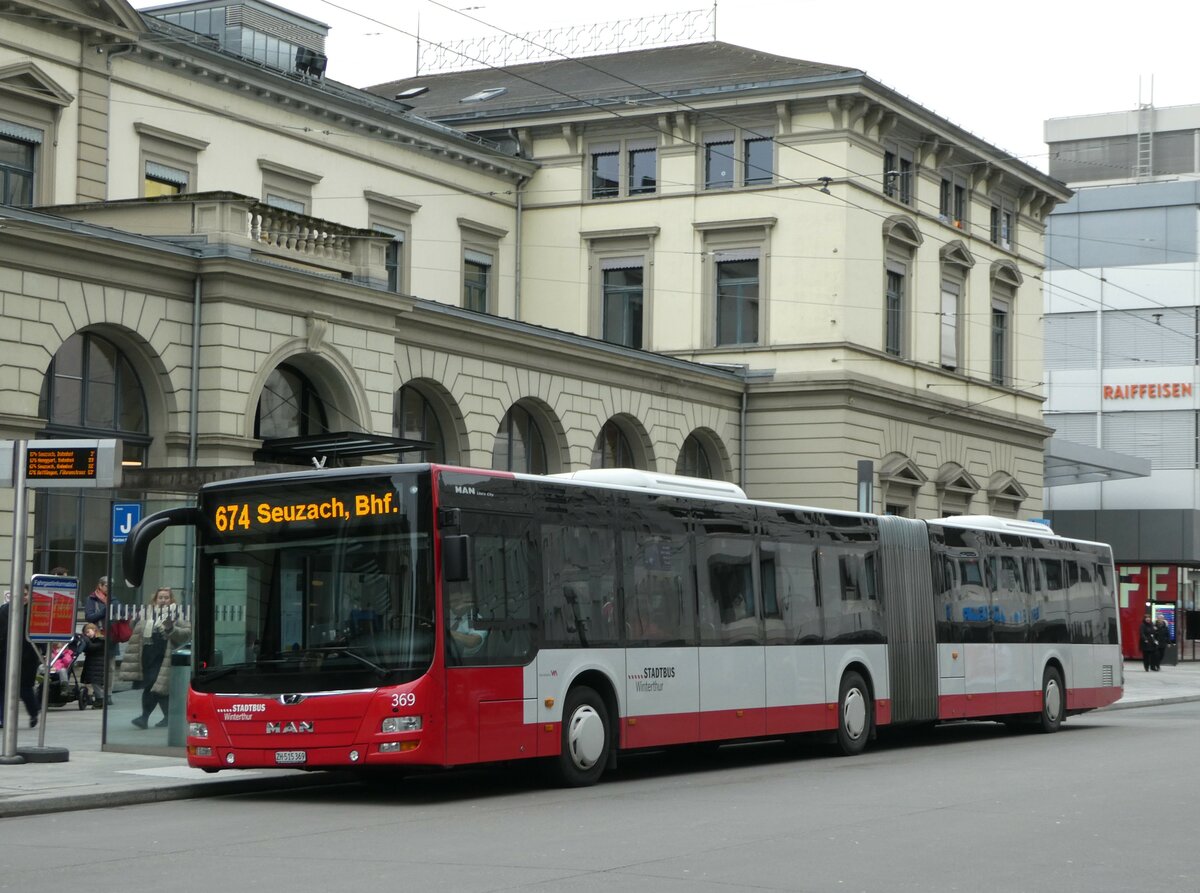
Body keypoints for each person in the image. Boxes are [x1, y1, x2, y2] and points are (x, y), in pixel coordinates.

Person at [120, 587, 191, 729]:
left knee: (153, 685)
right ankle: (168, 718)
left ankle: (144, 717)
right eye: (161, 598)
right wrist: (135, 619)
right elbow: (135, 628)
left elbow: (187, 633)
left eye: (166, 597)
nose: (163, 600)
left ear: (171, 600)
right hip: (147, 656)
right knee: (159, 688)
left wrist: (171, 628)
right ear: (155, 599)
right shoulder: (147, 612)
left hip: (164, 655)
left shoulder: (177, 614)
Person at [0, 588, 42, 728]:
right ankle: (1, 718)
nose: (22, 597)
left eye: (25, 594)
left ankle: (33, 711)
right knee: (2, 687)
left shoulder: (34, 612)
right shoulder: (4, 610)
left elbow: (39, 636)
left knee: (24, 688)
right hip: (5, 654)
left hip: (27, 656)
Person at [447, 587, 487, 659]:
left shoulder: (477, 619)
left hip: (464, 663)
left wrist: (446, 633)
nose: (457, 604)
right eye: (453, 601)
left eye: (459, 601)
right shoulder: (444, 615)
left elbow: (473, 641)